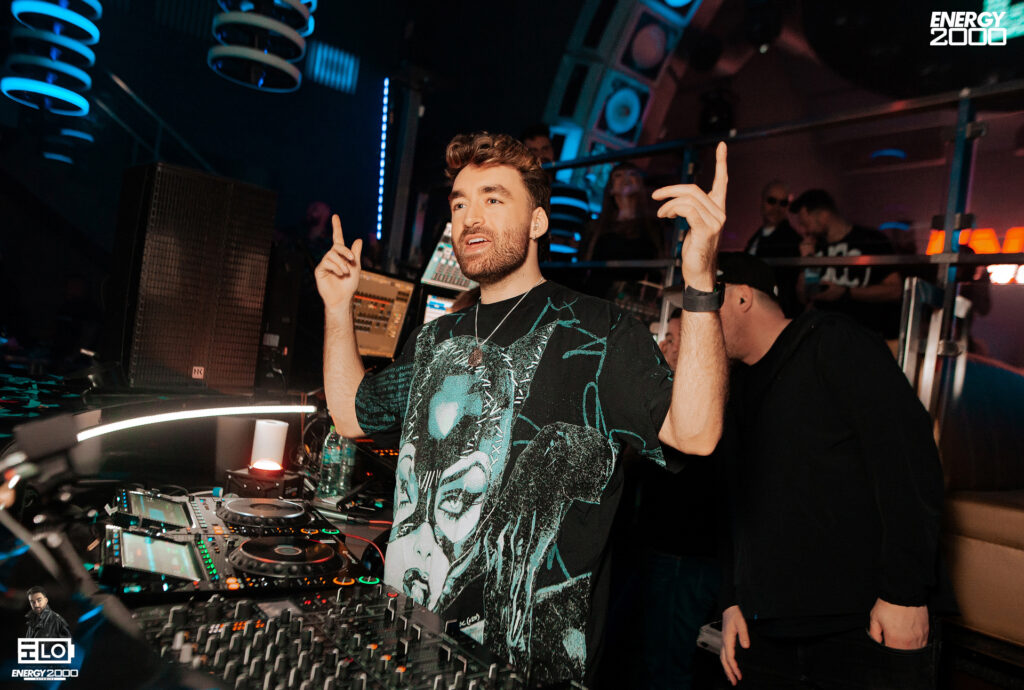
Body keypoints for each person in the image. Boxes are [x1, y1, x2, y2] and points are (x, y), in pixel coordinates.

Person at [316, 132, 729, 685]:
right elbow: (352, 416)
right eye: (460, 203)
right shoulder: (436, 338)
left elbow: (697, 433)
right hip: (408, 650)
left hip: (529, 672)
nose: (470, 217)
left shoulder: (598, 331)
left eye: (493, 198)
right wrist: (337, 306)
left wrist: (699, 281)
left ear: (537, 222)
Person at [714, 252, 947, 689]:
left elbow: (908, 463)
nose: (692, 319)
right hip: (764, 631)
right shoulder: (734, 384)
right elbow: (734, 502)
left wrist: (904, 594)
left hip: (861, 626)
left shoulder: (834, 342)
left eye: (701, 302)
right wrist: (731, 599)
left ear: (741, 297)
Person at [791, 189, 903, 341]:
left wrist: (846, 293)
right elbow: (807, 296)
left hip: (865, 336)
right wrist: (808, 260)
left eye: (806, 224)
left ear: (823, 216)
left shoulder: (870, 240)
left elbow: (895, 290)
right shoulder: (815, 246)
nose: (804, 231)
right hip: (825, 337)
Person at [584, 162, 667, 301]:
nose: (626, 178)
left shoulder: (653, 227)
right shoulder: (595, 227)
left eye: (632, 174)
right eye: (618, 175)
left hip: (633, 300)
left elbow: (659, 269)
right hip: (597, 298)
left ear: (640, 184)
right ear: (611, 188)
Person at [744, 180, 802, 318]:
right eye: (772, 201)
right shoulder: (757, 237)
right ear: (762, 201)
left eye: (783, 203)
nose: (777, 208)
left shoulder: (791, 240)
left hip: (773, 313)